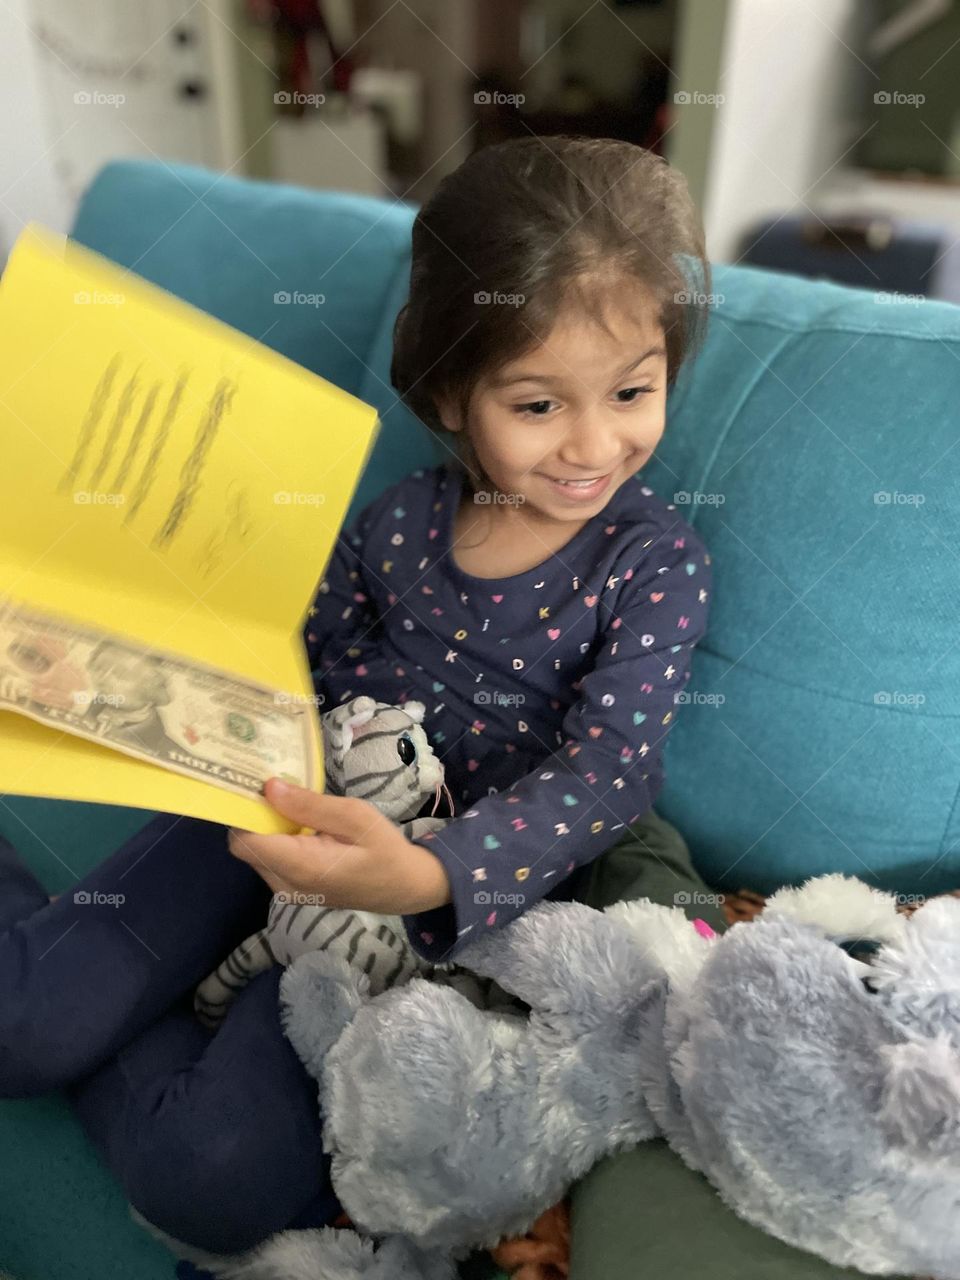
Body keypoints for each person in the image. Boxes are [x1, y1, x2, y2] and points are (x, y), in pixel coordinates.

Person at [0, 136, 860, 1277]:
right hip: (276, 811)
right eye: (541, 402)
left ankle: (142, 1017)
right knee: (23, 1025)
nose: (596, 444)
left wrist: (430, 873)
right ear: (452, 391)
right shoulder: (400, 518)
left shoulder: (652, 565)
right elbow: (304, 660)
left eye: (633, 391)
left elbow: (610, 771)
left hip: (414, 912)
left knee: (215, 1176)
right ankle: (83, 985)